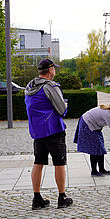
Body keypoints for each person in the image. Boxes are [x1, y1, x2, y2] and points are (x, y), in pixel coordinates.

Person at [25, 58, 73, 210]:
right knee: (59, 163)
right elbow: (61, 109)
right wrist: (65, 105)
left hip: (37, 131)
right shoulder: (50, 86)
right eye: (54, 69)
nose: (55, 71)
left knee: (38, 162)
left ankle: (37, 198)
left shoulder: (29, 86)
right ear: (50, 70)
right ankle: (61, 197)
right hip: (53, 129)